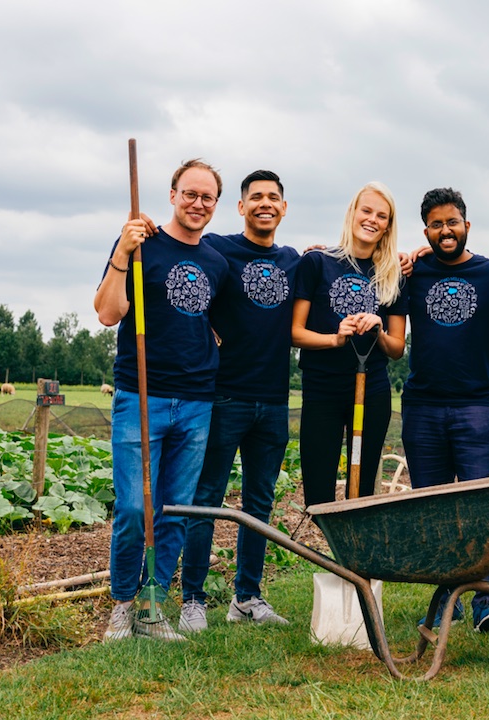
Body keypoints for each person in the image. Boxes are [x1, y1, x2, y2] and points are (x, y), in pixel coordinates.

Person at [95, 159, 228, 642]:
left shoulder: (216, 262)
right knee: (134, 509)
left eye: (206, 197)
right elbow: (108, 313)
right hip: (141, 394)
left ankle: (153, 610)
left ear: (216, 204)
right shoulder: (139, 245)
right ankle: (122, 606)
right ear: (172, 195)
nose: (197, 203)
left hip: (196, 401)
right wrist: (121, 254)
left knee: (174, 511)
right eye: (189, 194)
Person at [178, 170, 299, 633]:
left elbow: (341, 258)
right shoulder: (218, 249)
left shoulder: (293, 260)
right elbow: (184, 271)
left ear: (283, 208)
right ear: (241, 206)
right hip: (223, 396)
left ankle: (247, 597)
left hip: (273, 400)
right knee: (207, 498)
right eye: (256, 197)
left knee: (259, 503)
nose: (265, 204)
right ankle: (192, 599)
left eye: (273, 198)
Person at [402, 187, 489, 632]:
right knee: (434, 511)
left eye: (452, 222)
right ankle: (448, 595)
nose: (445, 231)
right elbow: (358, 264)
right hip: (423, 406)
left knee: (479, 507)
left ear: (467, 225)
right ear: (425, 230)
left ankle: (487, 599)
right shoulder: (412, 273)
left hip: (476, 406)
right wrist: (319, 250)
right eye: (435, 224)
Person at [291, 182, 407, 506]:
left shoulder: (393, 275)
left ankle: (354, 557)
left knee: (362, 488)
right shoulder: (317, 263)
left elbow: (397, 348)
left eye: (381, 216)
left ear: (388, 225)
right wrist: (335, 338)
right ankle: (326, 556)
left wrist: (379, 330)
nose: (372, 219)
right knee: (318, 491)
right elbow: (294, 333)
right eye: (366, 210)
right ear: (352, 213)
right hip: (322, 388)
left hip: (371, 389)